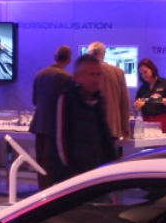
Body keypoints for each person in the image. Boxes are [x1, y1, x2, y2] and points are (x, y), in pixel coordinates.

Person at [49, 53, 116, 184]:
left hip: (97, 173)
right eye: (91, 75)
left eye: (98, 75)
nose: (96, 80)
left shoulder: (97, 100)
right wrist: (70, 172)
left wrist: (111, 165)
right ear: (77, 77)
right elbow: (59, 141)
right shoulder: (66, 98)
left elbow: (104, 137)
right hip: (73, 177)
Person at [29, 46, 73, 190]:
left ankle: (42, 193)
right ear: (69, 60)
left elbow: (35, 101)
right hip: (56, 128)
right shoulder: (66, 78)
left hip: (39, 125)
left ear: (55, 57)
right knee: (53, 164)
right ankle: (51, 197)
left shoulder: (39, 74)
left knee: (41, 164)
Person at [86, 42, 131, 143]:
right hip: (113, 128)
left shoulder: (84, 72)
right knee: (113, 158)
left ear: (89, 54)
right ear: (104, 54)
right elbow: (125, 102)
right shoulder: (118, 72)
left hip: (90, 129)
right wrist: (125, 128)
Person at [134, 58, 166, 135]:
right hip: (148, 124)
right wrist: (136, 105)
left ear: (152, 69)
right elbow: (136, 107)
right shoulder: (142, 88)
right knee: (150, 146)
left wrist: (161, 100)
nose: (144, 75)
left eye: (145, 72)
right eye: (141, 74)